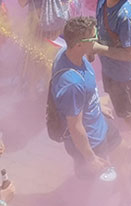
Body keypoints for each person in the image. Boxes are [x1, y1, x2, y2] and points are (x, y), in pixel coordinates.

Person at [31, 0, 131, 175]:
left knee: (130, 114)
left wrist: (97, 48)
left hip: (124, 74)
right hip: (113, 69)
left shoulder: (127, 15)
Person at [49, 16, 122, 179]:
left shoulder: (68, 53)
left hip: (100, 124)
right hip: (91, 140)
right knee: (93, 182)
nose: (97, 41)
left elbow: (84, 96)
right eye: (94, 38)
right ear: (79, 44)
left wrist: (96, 105)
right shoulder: (71, 83)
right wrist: (91, 158)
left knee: (119, 153)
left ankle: (128, 195)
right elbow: (75, 126)